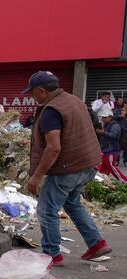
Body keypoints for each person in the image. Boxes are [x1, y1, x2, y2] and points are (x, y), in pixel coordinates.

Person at [24, 71, 112, 267]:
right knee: (72, 204)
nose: (32, 97)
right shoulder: (74, 100)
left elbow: (53, 147)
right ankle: (97, 243)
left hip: (67, 168)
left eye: (32, 93)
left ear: (42, 91)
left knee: (47, 210)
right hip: (88, 164)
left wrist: (36, 177)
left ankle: (51, 254)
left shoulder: (51, 111)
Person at [96, 110, 127, 182]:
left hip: (111, 150)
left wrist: (103, 132)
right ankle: (102, 181)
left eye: (105, 117)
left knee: (112, 167)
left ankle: (124, 181)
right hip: (106, 149)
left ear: (110, 117)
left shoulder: (115, 125)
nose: (103, 118)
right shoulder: (107, 124)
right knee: (103, 168)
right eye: (102, 117)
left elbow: (114, 136)